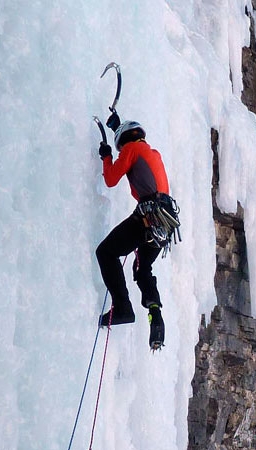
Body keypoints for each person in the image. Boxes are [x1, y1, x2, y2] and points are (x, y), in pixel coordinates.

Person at [96, 111, 170, 348]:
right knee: (142, 269)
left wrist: (107, 157)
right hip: (165, 224)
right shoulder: (152, 153)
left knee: (106, 252)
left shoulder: (130, 150)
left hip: (147, 218)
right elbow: (133, 152)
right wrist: (117, 126)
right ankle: (155, 311)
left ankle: (123, 309)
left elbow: (110, 178)